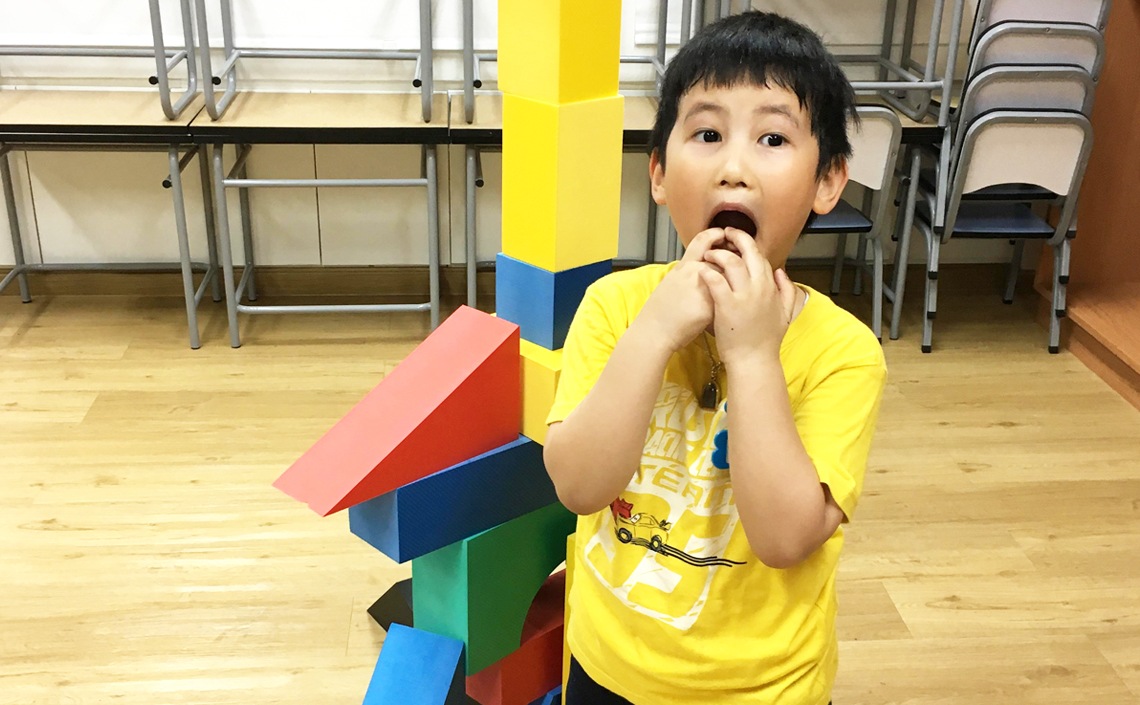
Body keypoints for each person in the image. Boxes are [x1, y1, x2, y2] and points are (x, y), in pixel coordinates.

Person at [542, 11, 888, 705]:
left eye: (772, 138)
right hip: (607, 666)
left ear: (827, 181)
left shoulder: (843, 352)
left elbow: (785, 537)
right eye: (707, 134)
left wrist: (754, 355)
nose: (734, 168)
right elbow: (578, 486)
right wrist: (654, 332)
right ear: (659, 173)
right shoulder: (614, 307)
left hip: (765, 689)